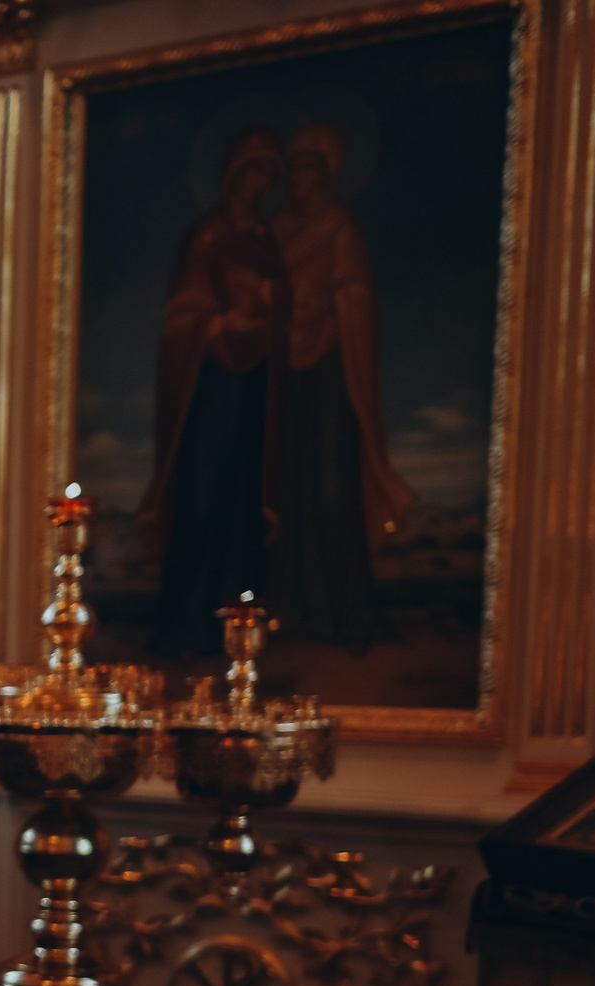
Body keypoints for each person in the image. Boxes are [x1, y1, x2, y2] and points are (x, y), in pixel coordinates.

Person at [144, 126, 290, 656]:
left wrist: (271, 302)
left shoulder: (265, 241)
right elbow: (182, 317)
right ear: (233, 174)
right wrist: (222, 322)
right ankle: (187, 623)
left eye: (268, 174)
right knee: (203, 498)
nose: (260, 183)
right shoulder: (207, 237)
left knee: (242, 503)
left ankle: (239, 629)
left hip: (253, 390)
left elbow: (283, 309)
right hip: (209, 392)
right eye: (254, 171)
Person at [265, 121, 410, 653]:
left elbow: (354, 300)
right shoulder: (273, 231)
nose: (298, 178)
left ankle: (345, 611)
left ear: (326, 173)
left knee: (331, 487)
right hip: (282, 370)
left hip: (329, 365)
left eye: (308, 167)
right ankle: (295, 608)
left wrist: (323, 311)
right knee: (287, 489)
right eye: (293, 168)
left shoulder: (340, 228)